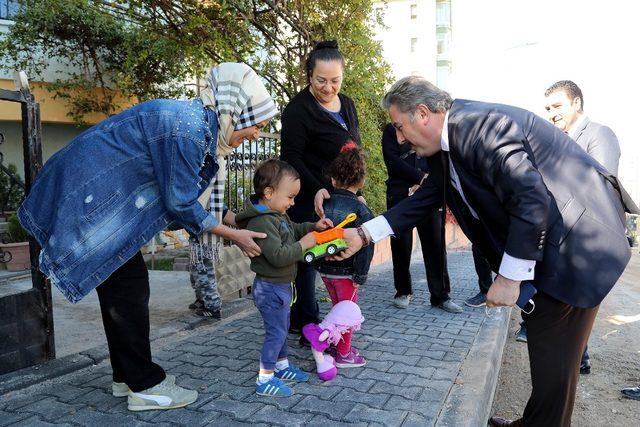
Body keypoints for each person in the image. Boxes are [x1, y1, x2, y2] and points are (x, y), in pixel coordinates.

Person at [335, 76, 637, 426]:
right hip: (557, 248)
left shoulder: (482, 127)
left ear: (422, 114)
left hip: (576, 247)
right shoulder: (446, 147)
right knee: (553, 362)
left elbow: (530, 198)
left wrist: (509, 277)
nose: (400, 139)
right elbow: (425, 200)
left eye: (400, 127)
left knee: (553, 361)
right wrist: (364, 234)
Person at [17, 63, 276, 411]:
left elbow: (185, 196)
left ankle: (127, 377)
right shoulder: (188, 129)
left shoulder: (195, 125)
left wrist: (231, 220)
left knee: (121, 286)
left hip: (96, 197)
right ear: (236, 113)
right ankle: (145, 386)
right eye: (256, 125)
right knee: (129, 289)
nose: (257, 134)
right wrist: (236, 235)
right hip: (90, 197)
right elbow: (181, 202)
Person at [280, 40, 362, 338]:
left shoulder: (348, 104)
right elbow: (291, 157)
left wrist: (356, 189)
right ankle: (305, 323)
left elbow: (355, 149)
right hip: (308, 197)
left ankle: (340, 316)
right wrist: (315, 188)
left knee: (337, 255)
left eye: (335, 81)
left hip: (341, 198)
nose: (329, 88)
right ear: (309, 76)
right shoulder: (297, 111)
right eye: (321, 80)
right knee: (307, 261)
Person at [235, 159, 332, 397]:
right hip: (270, 288)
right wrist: (303, 244)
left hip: (281, 286)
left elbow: (294, 229)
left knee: (282, 327)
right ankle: (265, 378)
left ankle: (282, 366)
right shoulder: (262, 221)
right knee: (276, 332)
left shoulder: (277, 215)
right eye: (290, 197)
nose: (293, 202)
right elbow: (278, 256)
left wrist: (313, 227)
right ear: (269, 193)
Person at [382, 122, 469, 312]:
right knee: (400, 244)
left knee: (436, 245)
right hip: (400, 192)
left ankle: (441, 296)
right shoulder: (392, 130)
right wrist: (419, 178)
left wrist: (426, 182)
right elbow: (392, 161)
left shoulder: (429, 127)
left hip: (429, 191)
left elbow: (439, 158)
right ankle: (403, 291)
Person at [314, 142, 374, 367]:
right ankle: (344, 353)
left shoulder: (323, 203)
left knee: (337, 308)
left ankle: (333, 343)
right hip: (347, 273)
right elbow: (366, 243)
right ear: (361, 182)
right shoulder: (361, 209)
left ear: (332, 179)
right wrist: (361, 276)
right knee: (349, 312)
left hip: (326, 270)